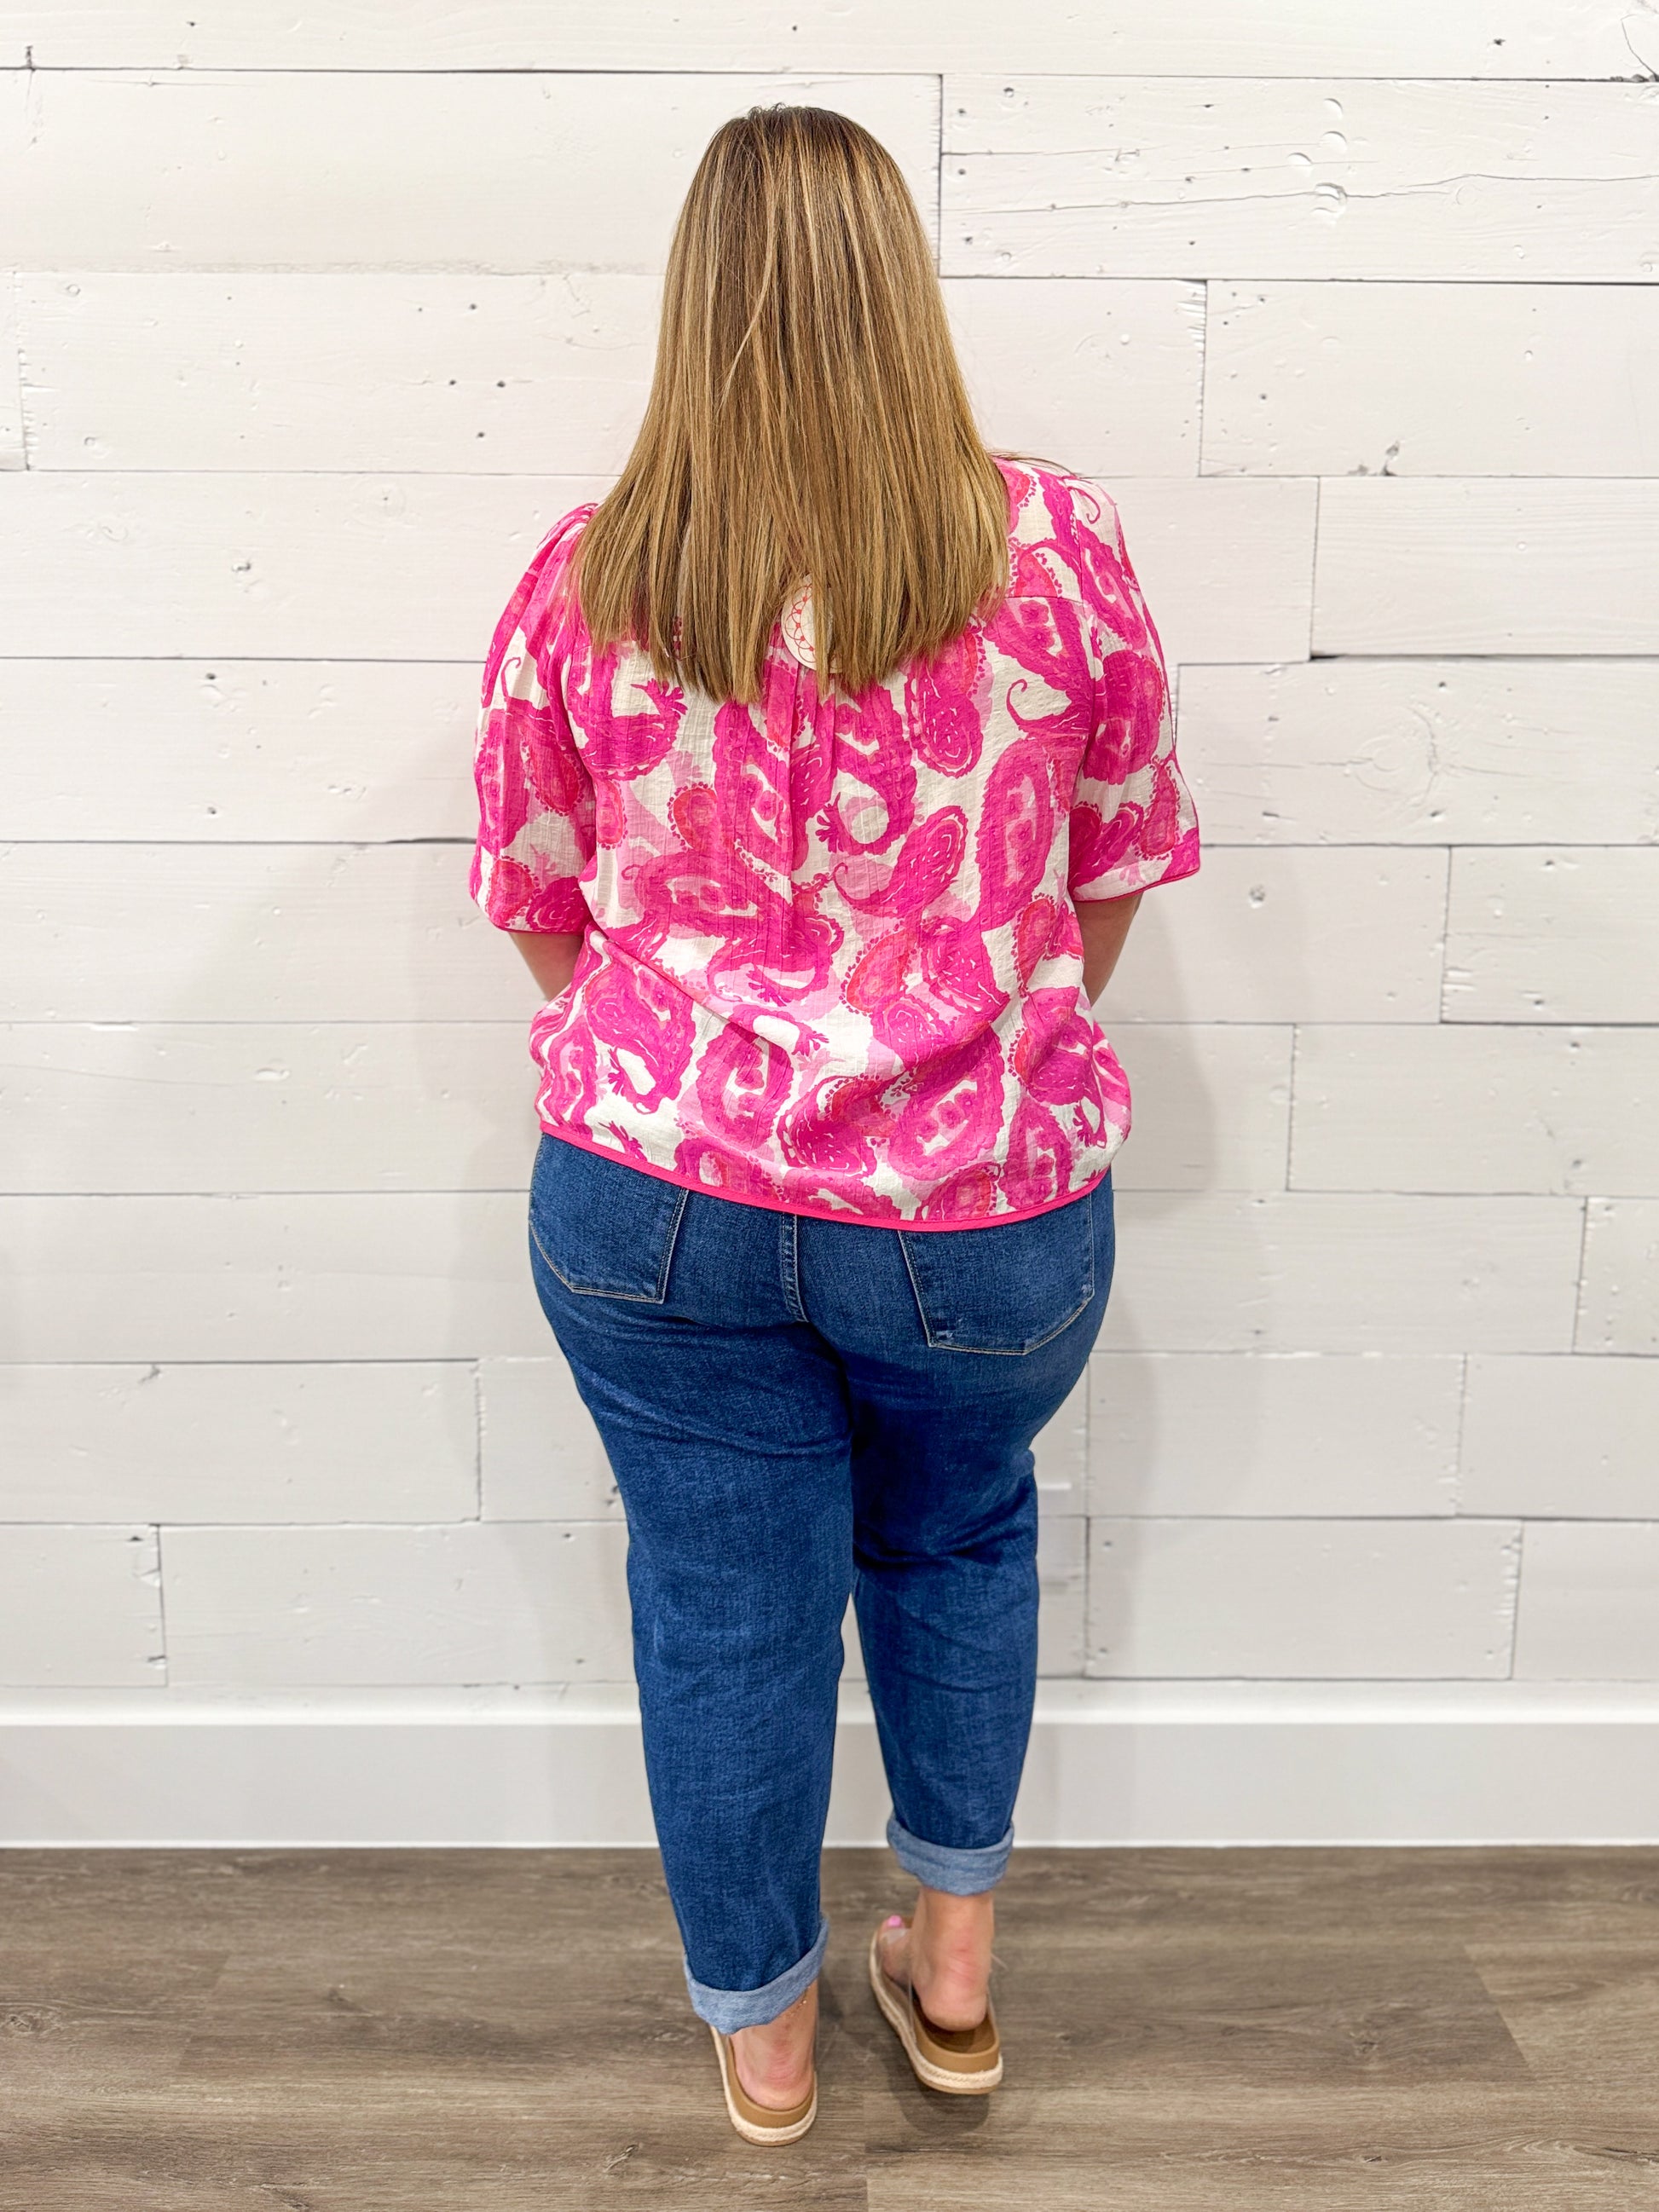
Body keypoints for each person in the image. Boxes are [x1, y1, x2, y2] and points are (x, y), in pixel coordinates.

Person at [468, 103, 1198, 2146]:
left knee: (722, 1595)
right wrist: (966, 1044)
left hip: (652, 1200)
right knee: (956, 1532)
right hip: (983, 1209)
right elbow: (1118, 858)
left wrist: (690, 1066)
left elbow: (537, 903)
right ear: (907, 290)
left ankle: (768, 2040)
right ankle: (947, 1974)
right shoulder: (1055, 551)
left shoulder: (588, 574)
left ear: (695, 305)